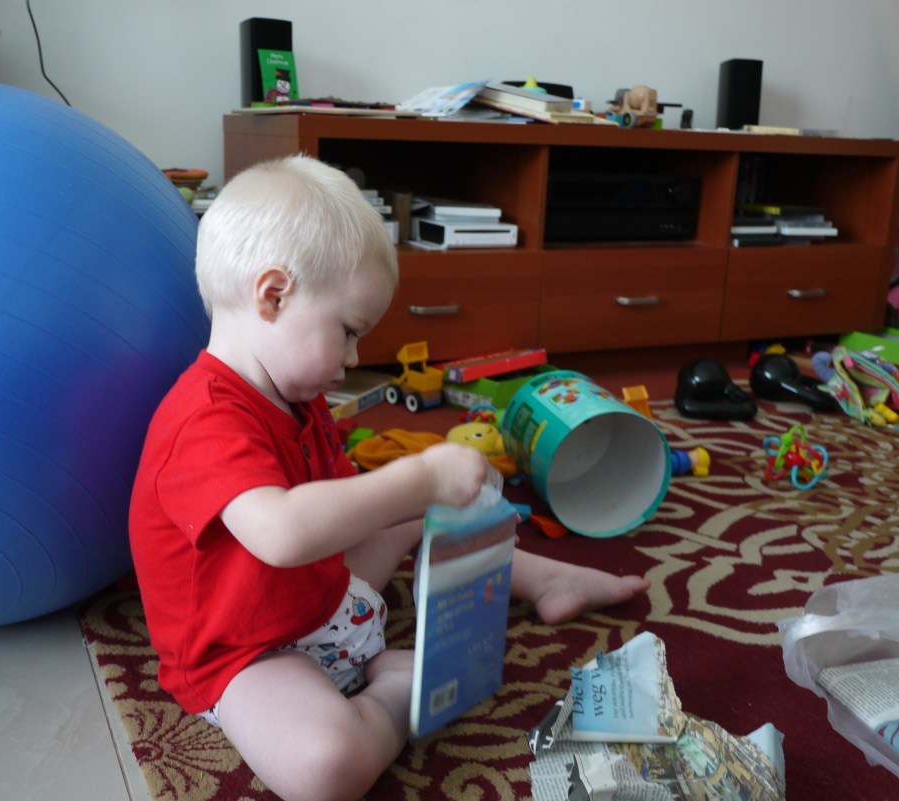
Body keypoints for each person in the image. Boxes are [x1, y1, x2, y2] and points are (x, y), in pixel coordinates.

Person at [128, 154, 650, 801]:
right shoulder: (203, 418)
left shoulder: (299, 399)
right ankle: (398, 687)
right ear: (273, 295)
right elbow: (283, 533)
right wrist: (422, 475)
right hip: (242, 648)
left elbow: (347, 510)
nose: (354, 358)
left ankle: (545, 577)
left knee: (416, 510)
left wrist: (435, 493)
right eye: (348, 331)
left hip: (316, 595)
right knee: (328, 769)